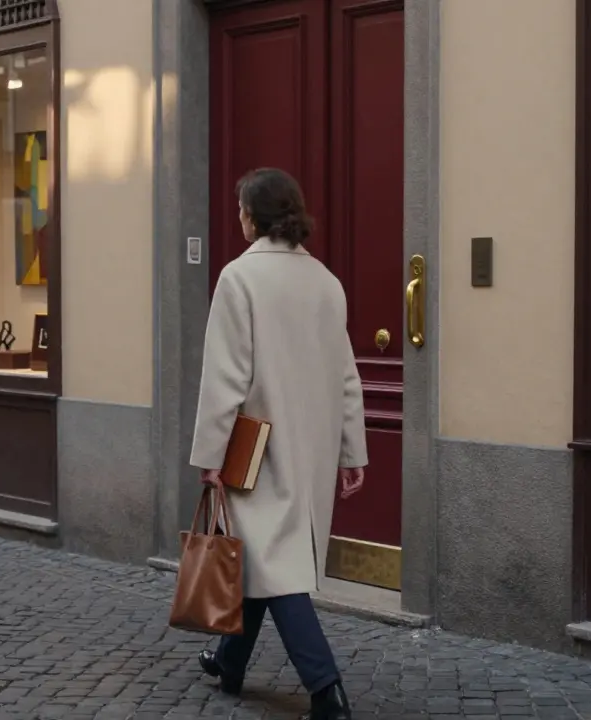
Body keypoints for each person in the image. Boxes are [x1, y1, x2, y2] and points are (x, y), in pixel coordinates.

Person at [189, 167, 368, 720]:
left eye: (241, 207)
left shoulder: (238, 279)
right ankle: (229, 661)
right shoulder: (327, 282)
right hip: (309, 443)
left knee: (276, 564)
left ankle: (326, 688)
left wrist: (210, 455)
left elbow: (225, 376)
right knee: (268, 556)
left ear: (254, 216)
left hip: (254, 447)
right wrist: (351, 449)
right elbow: (346, 374)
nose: (237, 215)